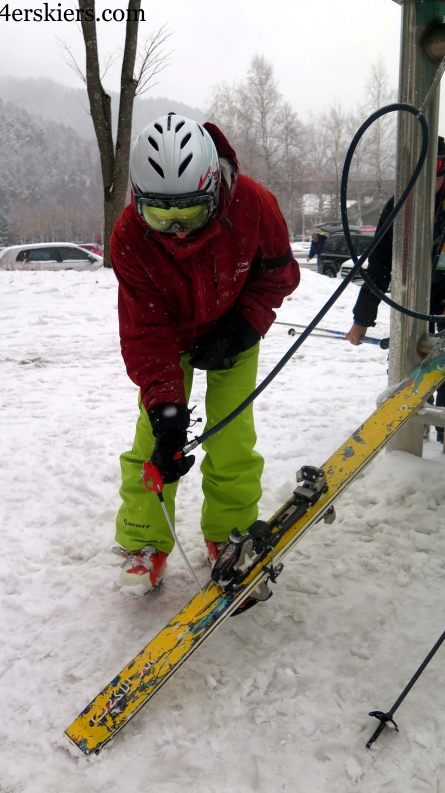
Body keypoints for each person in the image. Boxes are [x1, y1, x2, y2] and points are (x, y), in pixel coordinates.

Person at [110, 113, 300, 592]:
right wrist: (166, 409)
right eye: (160, 215)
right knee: (153, 441)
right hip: (170, 337)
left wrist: (242, 327)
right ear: (139, 201)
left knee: (231, 436)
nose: (175, 231)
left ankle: (228, 533)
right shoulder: (130, 237)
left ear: (213, 189)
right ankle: (144, 539)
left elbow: (279, 275)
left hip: (234, 331)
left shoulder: (255, 204)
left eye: (189, 214)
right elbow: (144, 329)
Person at [345, 136, 445, 444]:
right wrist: (362, 318)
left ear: (444, 167)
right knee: (407, 358)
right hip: (412, 299)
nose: (428, 182)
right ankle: (414, 420)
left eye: (436, 171)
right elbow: (379, 263)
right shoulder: (399, 203)